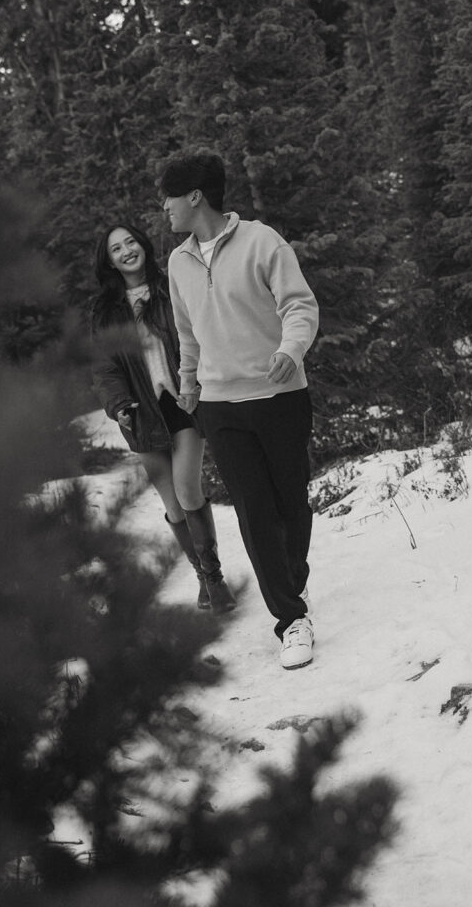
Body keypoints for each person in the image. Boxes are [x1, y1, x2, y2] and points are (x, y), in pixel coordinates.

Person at [160, 152, 319, 669]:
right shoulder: (177, 262)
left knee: (290, 502)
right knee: (253, 509)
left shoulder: (261, 241)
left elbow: (299, 305)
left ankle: (291, 580)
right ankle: (290, 618)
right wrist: (189, 385)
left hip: (280, 396)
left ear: (194, 196)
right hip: (219, 406)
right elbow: (187, 333)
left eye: (168, 197)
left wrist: (289, 349)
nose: (164, 208)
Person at [90, 223, 236, 614]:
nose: (126, 252)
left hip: (184, 402)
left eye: (130, 242)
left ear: (142, 245)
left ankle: (216, 579)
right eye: (116, 249)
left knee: (189, 490)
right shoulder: (105, 311)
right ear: (109, 260)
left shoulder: (170, 286)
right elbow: (104, 367)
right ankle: (202, 576)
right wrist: (118, 404)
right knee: (173, 505)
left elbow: (199, 331)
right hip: (140, 413)